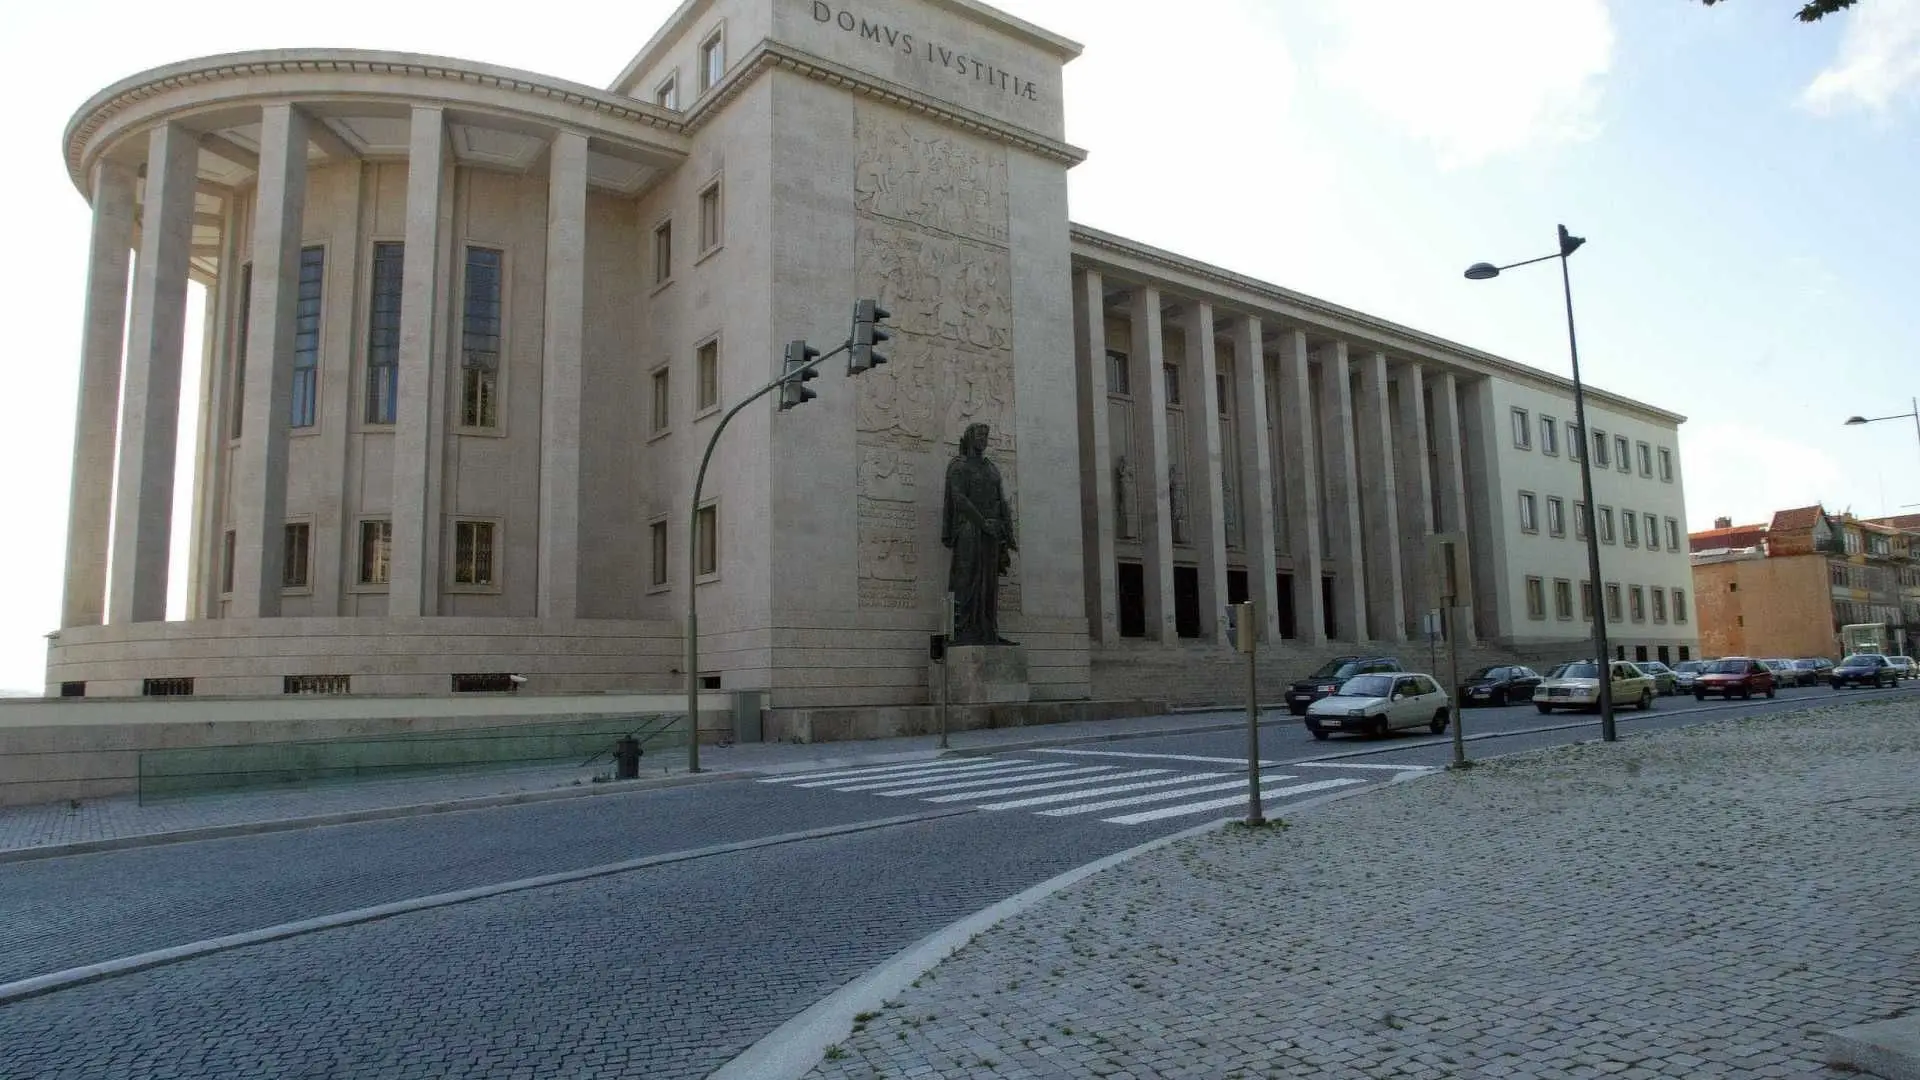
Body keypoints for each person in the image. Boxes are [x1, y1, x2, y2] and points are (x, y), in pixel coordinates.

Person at [941, 422, 1016, 646]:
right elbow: (959, 499)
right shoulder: (959, 466)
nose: (983, 439)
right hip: (969, 529)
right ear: (969, 437)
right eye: (979, 435)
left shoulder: (991, 468)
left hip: (991, 531)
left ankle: (988, 630)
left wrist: (1006, 533)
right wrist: (983, 523)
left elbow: (1001, 500)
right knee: (966, 578)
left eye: (986, 436)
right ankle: (962, 630)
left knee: (989, 582)